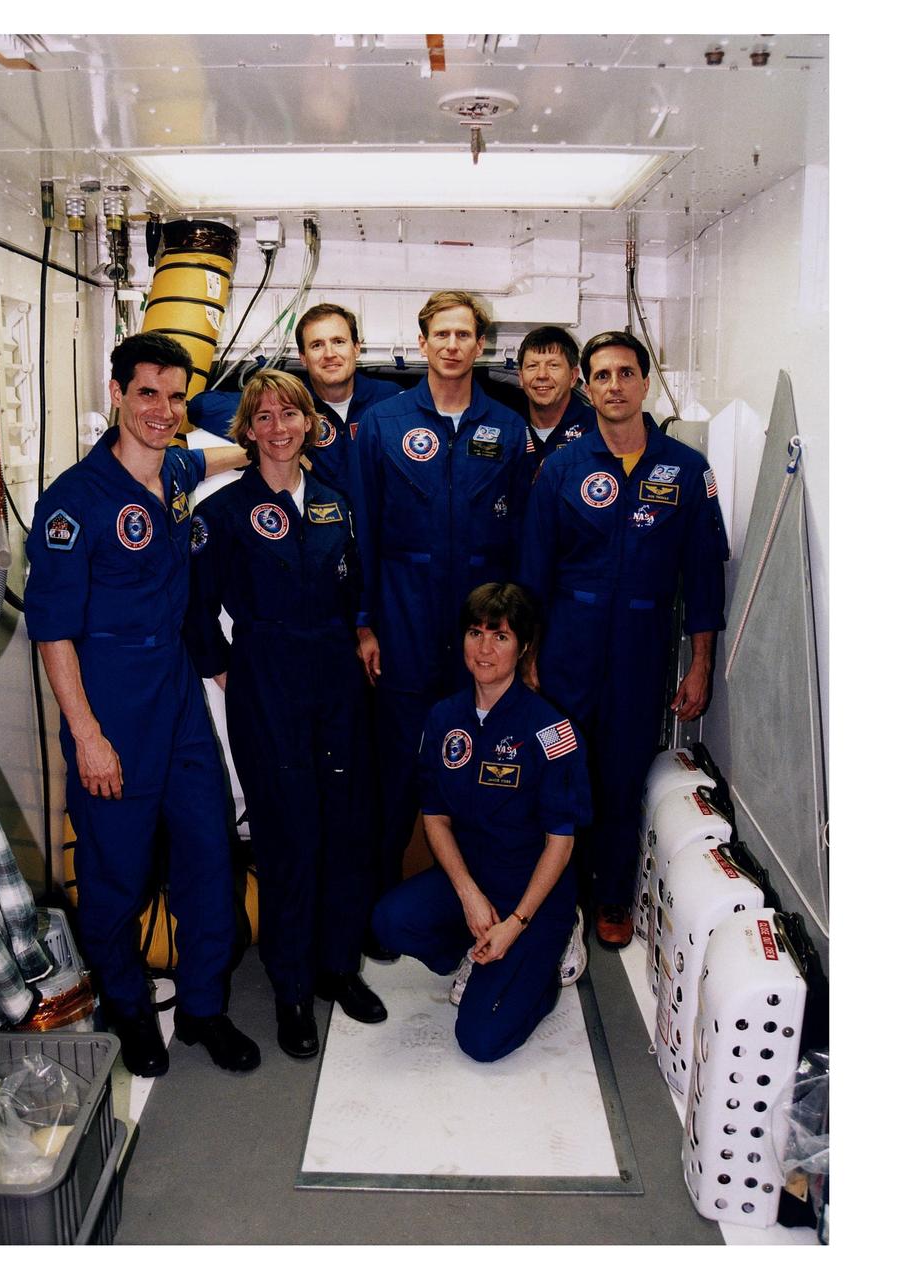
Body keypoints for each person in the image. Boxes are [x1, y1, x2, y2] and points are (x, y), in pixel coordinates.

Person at [24, 332, 260, 1078]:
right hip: (112, 719)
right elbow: (52, 631)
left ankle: (201, 1010)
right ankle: (127, 1008)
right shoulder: (73, 502)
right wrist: (88, 736)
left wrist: (269, 447)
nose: (162, 410)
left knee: (208, 857)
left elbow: (218, 455)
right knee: (115, 877)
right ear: (117, 393)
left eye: (175, 395)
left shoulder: (181, 471)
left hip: (181, 711)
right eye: (147, 393)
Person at [183, 369, 386, 1059]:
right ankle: (292, 989)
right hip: (266, 677)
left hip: (335, 678)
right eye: (263, 417)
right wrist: (224, 668)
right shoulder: (221, 512)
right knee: (288, 839)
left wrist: (360, 632)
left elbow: (352, 585)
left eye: (289, 414)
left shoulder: (333, 504)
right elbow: (196, 609)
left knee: (345, 830)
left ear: (309, 424)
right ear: (246, 431)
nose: (277, 427)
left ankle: (337, 968)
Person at [518, 331, 729, 948]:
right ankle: (555, 899)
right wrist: (528, 659)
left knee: (622, 772)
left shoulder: (686, 471)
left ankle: (611, 895)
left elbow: (703, 578)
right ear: (587, 385)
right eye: (602, 376)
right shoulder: (561, 468)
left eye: (625, 374)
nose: (614, 386)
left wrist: (700, 665)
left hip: (642, 647)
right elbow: (532, 572)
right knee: (559, 770)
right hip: (566, 648)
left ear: (645, 381)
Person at [349, 291, 531, 904]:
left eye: (464, 335)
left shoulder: (507, 428)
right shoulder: (382, 424)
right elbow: (361, 533)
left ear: (481, 346)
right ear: (422, 343)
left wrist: (516, 640)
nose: (452, 346)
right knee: (397, 769)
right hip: (403, 629)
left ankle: (481, 901)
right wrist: (365, 623)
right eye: (441, 335)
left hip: (480, 637)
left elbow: (521, 544)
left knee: (484, 769)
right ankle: (375, 895)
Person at [371, 584, 591, 1062]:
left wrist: (515, 923)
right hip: (473, 882)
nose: (485, 648)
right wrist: (469, 895)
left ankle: (545, 970)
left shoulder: (550, 729)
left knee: (480, 1041)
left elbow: (560, 842)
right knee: (389, 921)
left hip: (533, 895)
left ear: (524, 647)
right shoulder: (443, 717)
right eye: (476, 633)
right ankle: (475, 950)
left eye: (501, 637)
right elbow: (435, 816)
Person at [296, 302, 402, 497]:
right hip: (320, 524)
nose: (329, 354)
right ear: (303, 357)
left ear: (356, 348)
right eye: (317, 345)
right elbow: (221, 405)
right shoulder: (288, 405)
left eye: (338, 341)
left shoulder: (393, 401)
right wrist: (269, 452)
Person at [515, 325, 596, 477]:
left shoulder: (596, 430)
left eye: (553, 365)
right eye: (532, 366)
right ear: (520, 377)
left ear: (573, 377)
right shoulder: (507, 427)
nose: (542, 375)